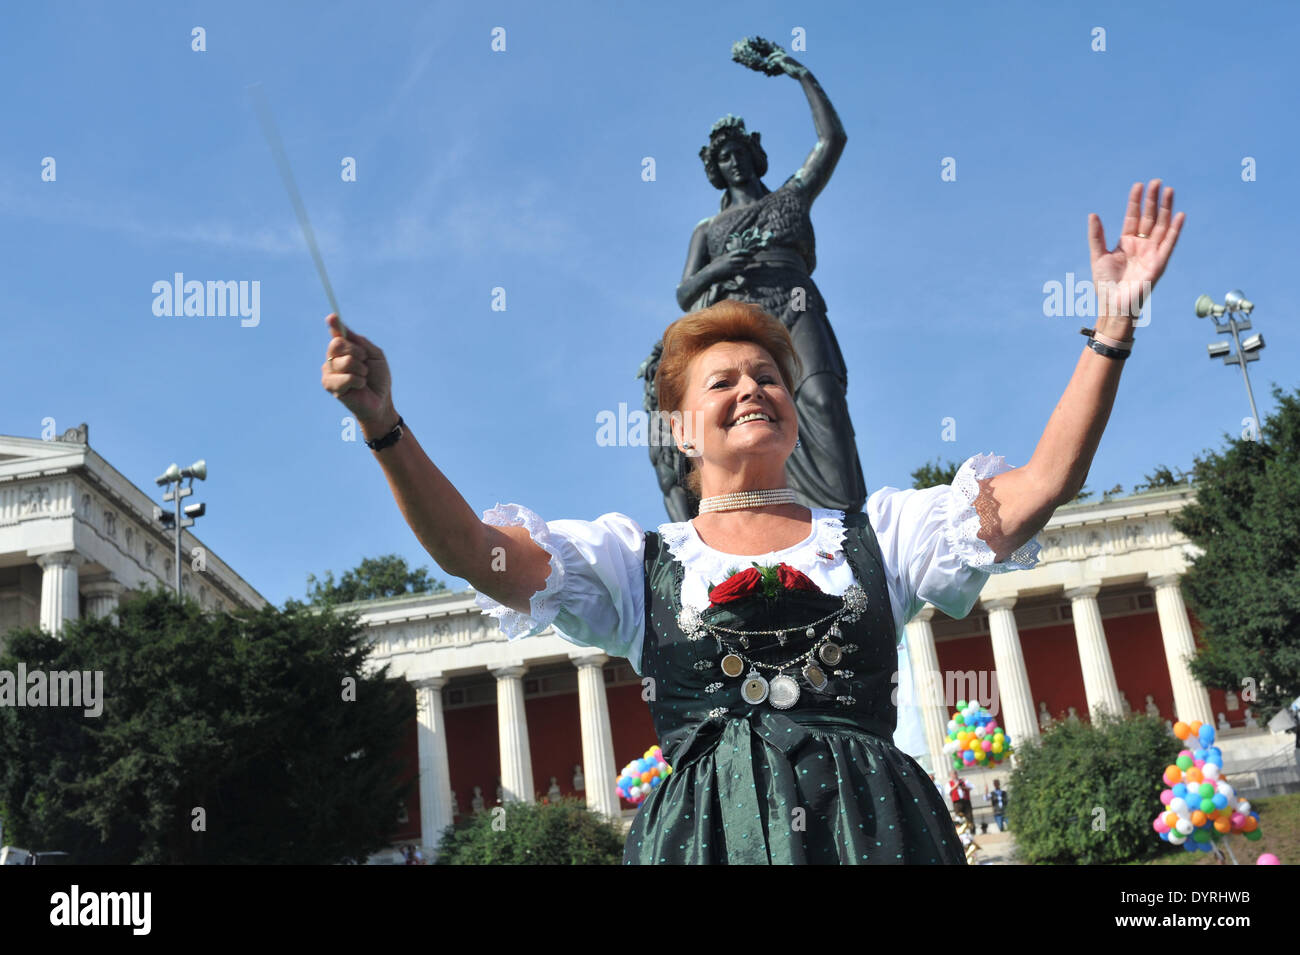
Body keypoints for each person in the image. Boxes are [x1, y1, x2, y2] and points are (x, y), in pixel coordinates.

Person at [319, 179, 1182, 864]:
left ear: (794, 411)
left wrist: (1112, 325)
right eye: (723, 381)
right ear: (680, 429)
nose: (752, 388)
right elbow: (476, 552)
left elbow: (1046, 482)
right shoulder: (633, 561)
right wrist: (384, 426)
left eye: (768, 375)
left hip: (877, 834)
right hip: (707, 842)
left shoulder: (883, 534)